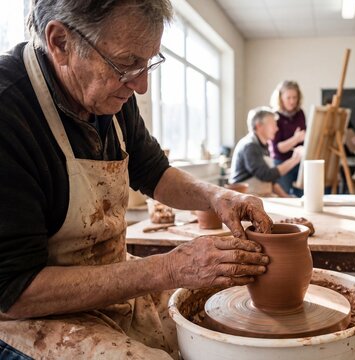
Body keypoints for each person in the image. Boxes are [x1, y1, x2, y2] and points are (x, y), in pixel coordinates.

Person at [0, 1, 272, 358]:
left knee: (214, 328)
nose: (141, 85)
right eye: (128, 63)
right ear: (60, 42)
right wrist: (171, 268)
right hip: (26, 315)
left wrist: (216, 197)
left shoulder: (107, 93)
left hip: (105, 279)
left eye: (148, 62)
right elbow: (13, 292)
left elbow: (154, 172)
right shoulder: (9, 113)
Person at [229, 107, 302, 197]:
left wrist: (287, 198)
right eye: (273, 125)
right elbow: (266, 175)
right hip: (244, 199)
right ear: (259, 126)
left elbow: (271, 182)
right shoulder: (250, 146)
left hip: (259, 196)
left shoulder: (263, 146)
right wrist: (295, 160)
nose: (276, 129)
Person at [269, 80, 306, 197]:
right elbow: (278, 148)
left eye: (295, 97)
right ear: (280, 98)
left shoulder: (300, 113)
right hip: (281, 163)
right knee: (284, 197)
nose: (292, 101)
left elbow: (304, 139)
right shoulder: (275, 116)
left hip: (299, 161)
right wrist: (295, 139)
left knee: (301, 195)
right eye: (288, 98)